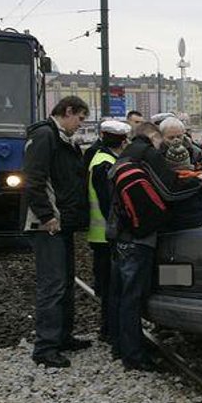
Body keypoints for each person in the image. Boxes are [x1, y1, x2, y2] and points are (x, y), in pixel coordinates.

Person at [107, 122, 202, 371]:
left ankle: (121, 345)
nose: (164, 146)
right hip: (138, 237)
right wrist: (198, 182)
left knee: (123, 294)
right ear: (154, 136)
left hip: (121, 232)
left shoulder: (126, 155)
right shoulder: (147, 153)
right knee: (133, 296)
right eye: (163, 139)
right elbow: (169, 191)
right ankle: (134, 356)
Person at [23, 95, 92, 369]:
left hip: (61, 223)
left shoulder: (60, 138)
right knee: (52, 284)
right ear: (68, 111)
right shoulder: (45, 136)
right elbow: (33, 179)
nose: (80, 125)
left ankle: (62, 337)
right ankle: (46, 347)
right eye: (80, 118)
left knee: (64, 282)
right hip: (48, 224)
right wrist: (47, 215)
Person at [86, 120, 131, 344]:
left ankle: (109, 328)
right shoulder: (106, 163)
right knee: (110, 286)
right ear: (122, 142)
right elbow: (108, 203)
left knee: (108, 285)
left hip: (101, 233)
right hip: (106, 234)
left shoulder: (102, 158)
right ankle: (109, 330)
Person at [160, 117, 202, 228]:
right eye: (171, 137)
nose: (176, 140)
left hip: (195, 204)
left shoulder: (195, 151)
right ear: (162, 137)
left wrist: (192, 174)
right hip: (170, 207)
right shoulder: (158, 154)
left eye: (179, 136)